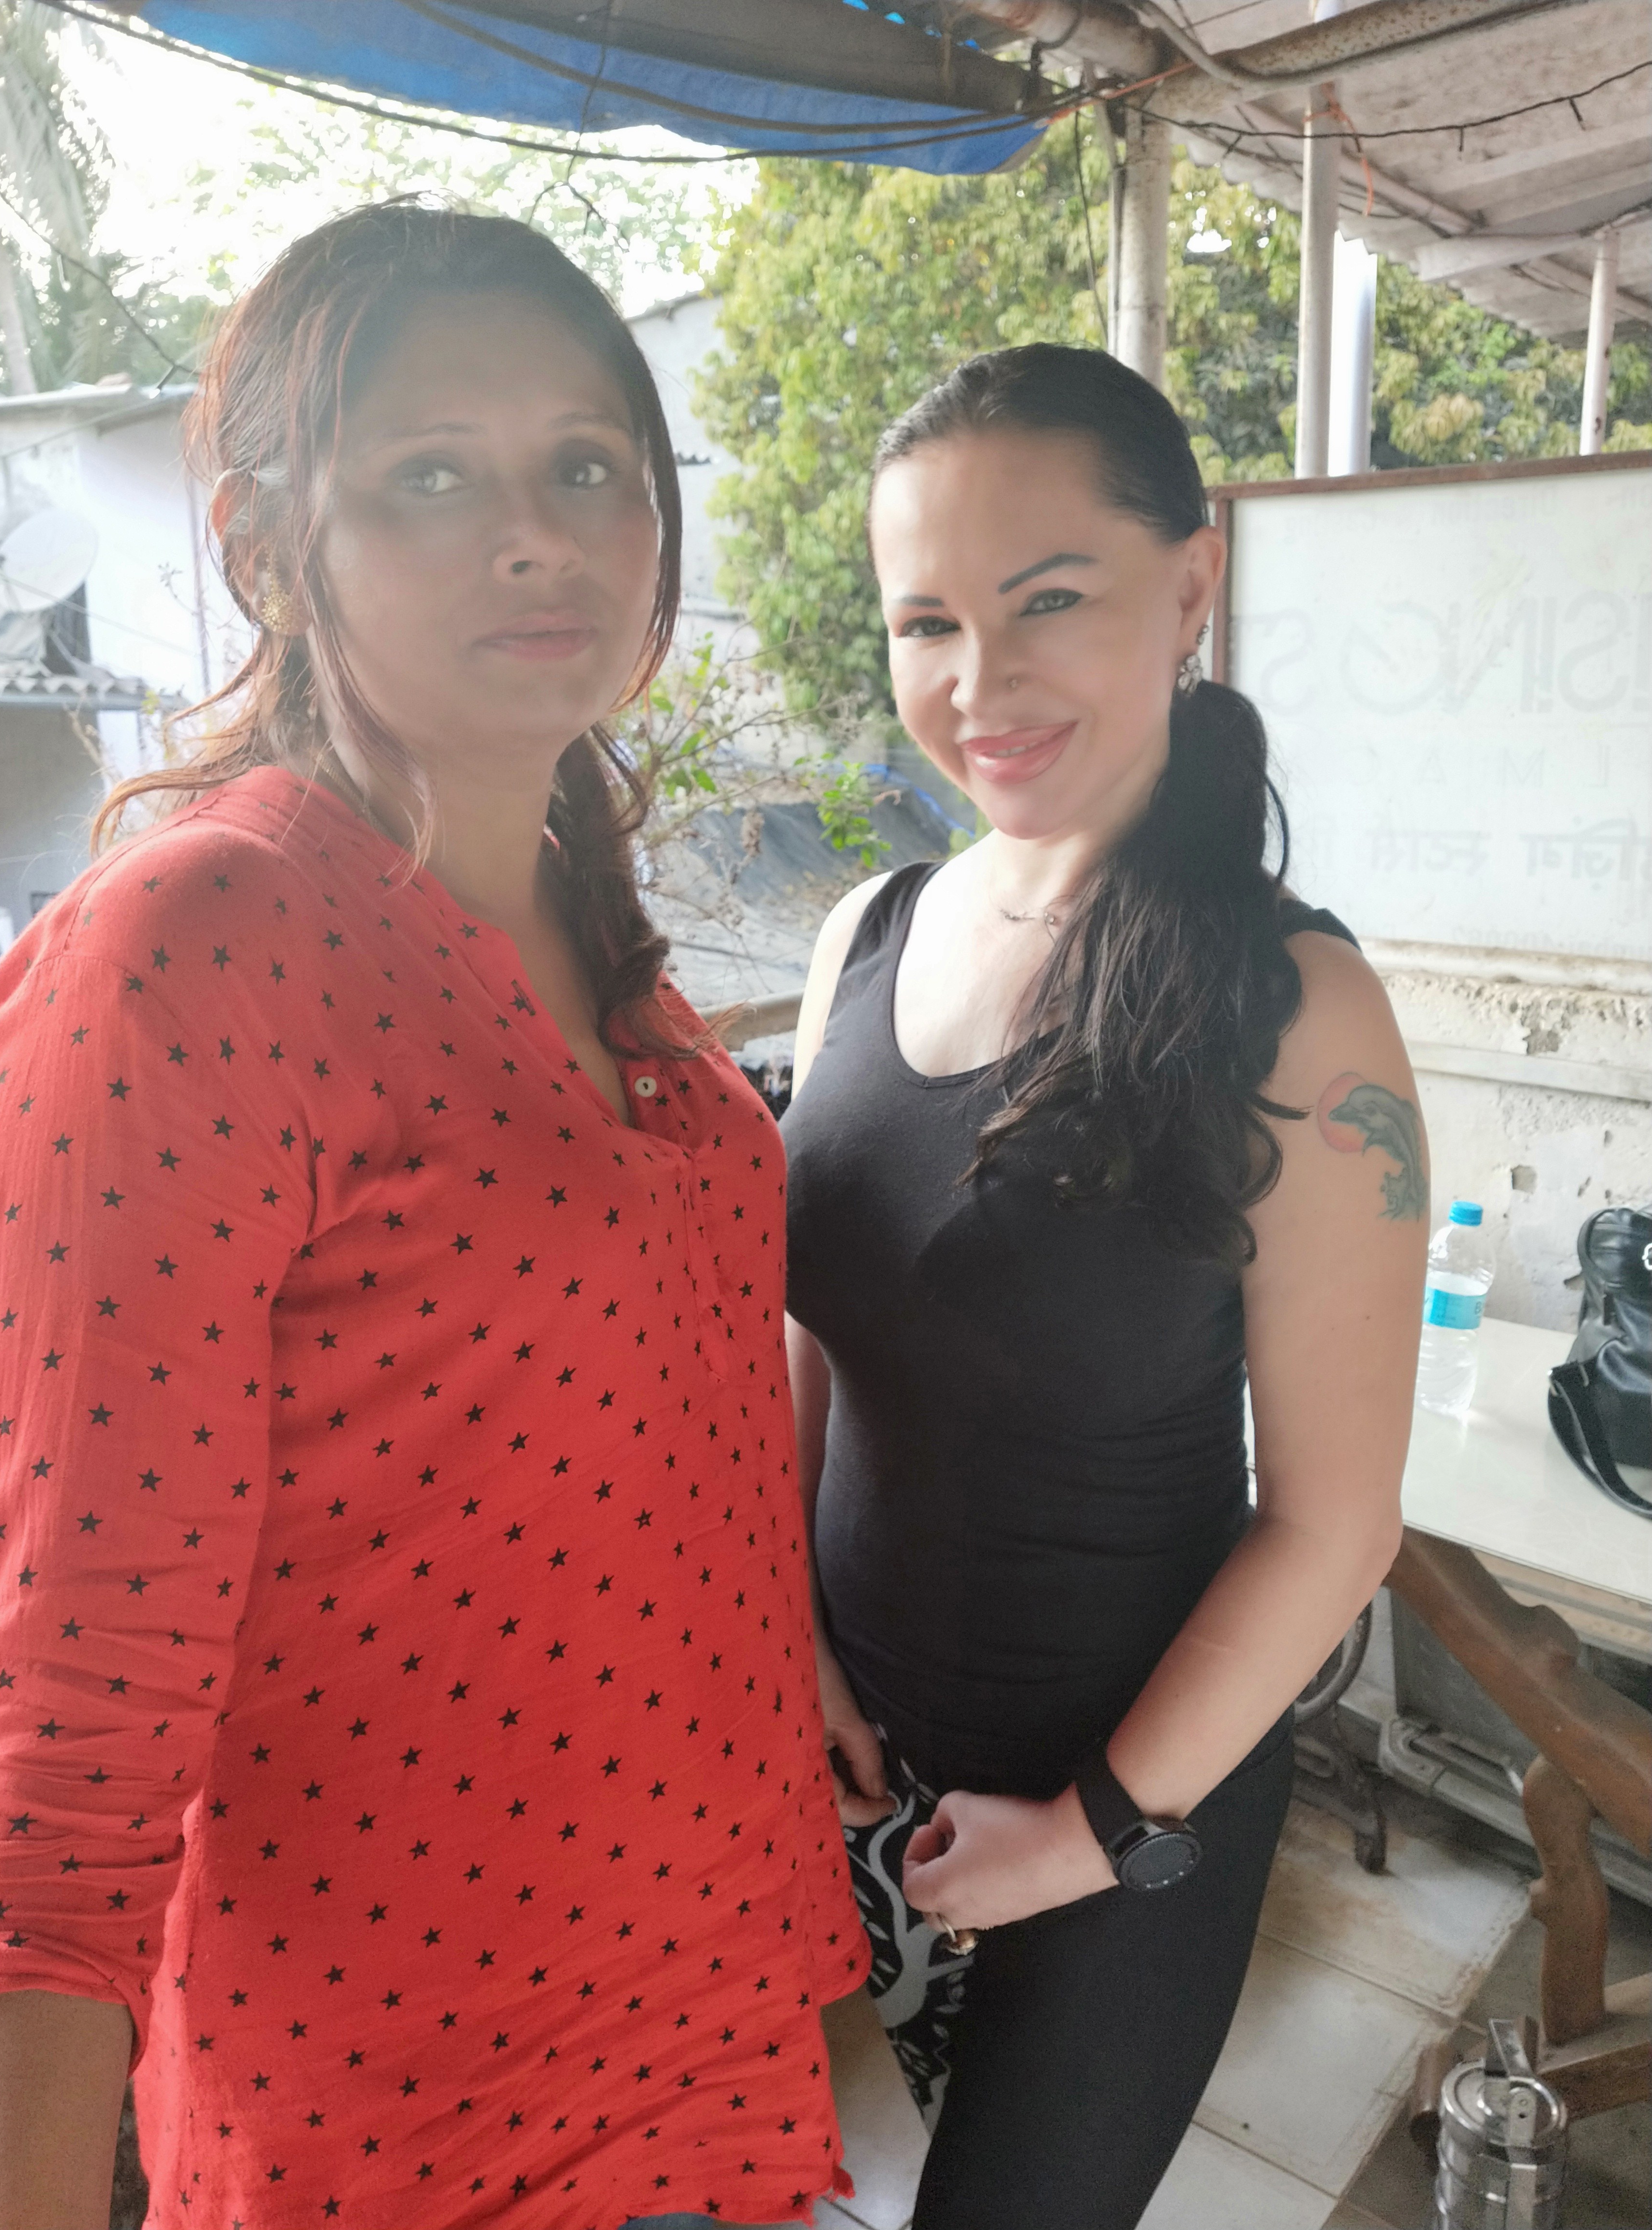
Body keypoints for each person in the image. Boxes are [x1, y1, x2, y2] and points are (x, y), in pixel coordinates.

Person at [0, 202, 863, 2230]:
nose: (540, 536)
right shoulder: (198, 951)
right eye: (434, 478)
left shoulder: (609, 953)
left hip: (717, 2013)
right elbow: (61, 1742)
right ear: (264, 551)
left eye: (590, 468)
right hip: (405, 2116)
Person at [781, 344, 1426, 2230]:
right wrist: (789, 1643)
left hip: (1131, 1806)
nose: (978, 684)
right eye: (927, 623)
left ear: (1191, 582)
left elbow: (1336, 1523)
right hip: (834, 1754)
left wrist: (1092, 1834)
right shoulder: (868, 932)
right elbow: (808, 1338)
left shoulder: (1297, 1010)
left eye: (1048, 600)